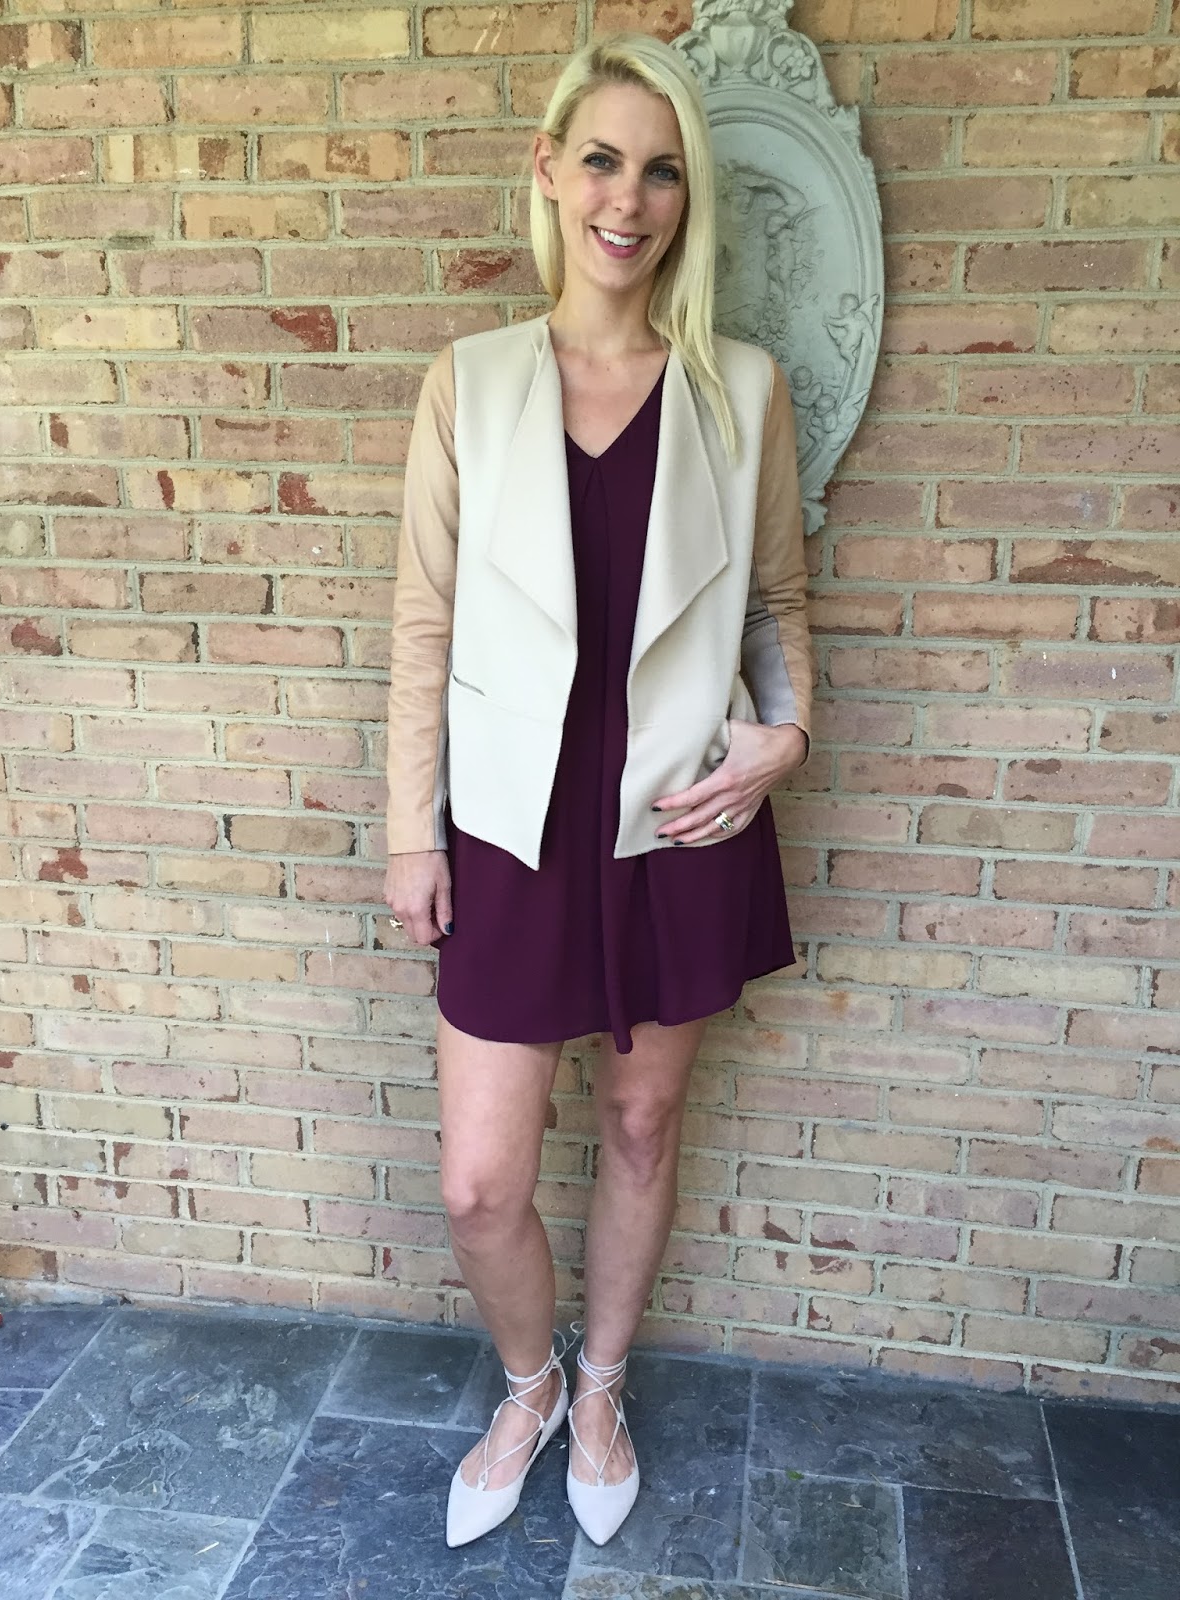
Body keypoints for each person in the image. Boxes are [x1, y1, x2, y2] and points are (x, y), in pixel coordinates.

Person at [383, 31, 814, 1551]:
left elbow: (776, 608)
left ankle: (606, 1388)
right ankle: (529, 1385)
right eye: (604, 161)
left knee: (639, 1125)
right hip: (510, 825)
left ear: (687, 200)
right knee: (479, 1182)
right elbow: (424, 625)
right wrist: (410, 832)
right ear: (552, 174)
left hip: (679, 816)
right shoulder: (470, 382)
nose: (629, 199)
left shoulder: (740, 390)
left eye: (662, 171)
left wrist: (788, 732)